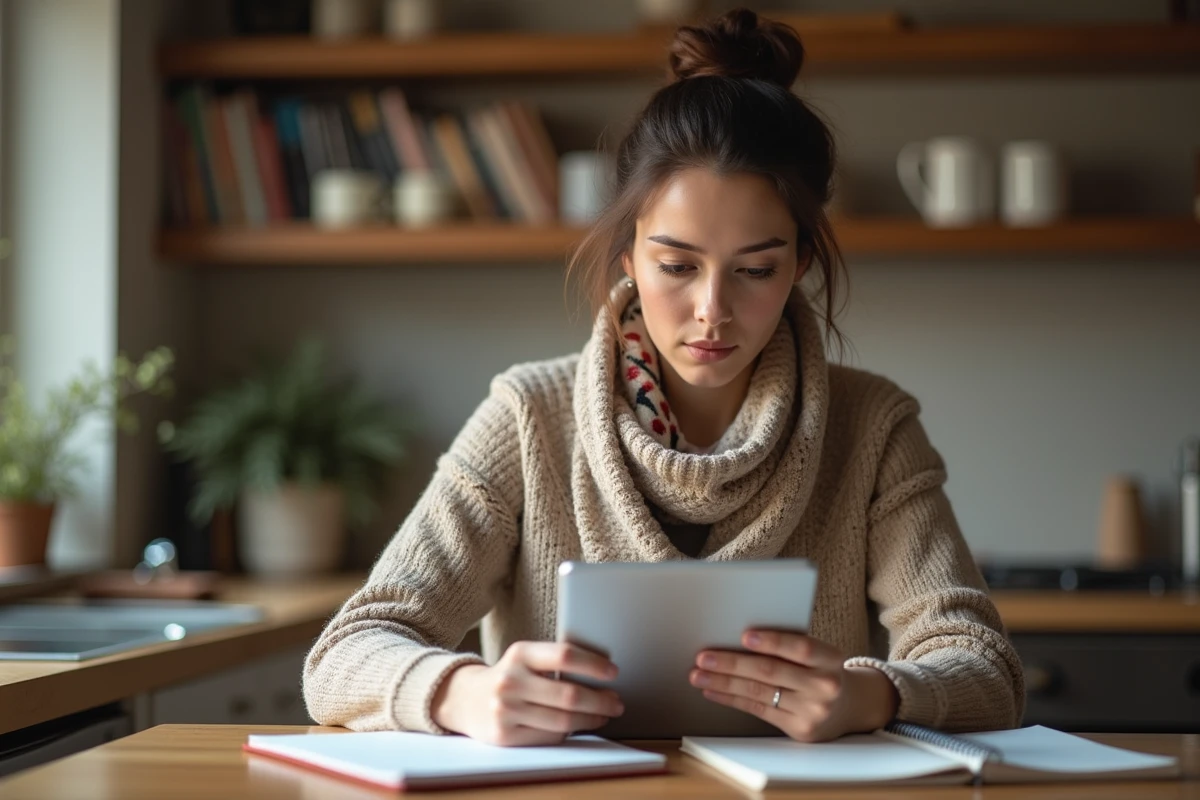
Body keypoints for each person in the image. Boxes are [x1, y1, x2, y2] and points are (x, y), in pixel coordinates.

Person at [302, 7, 1025, 747]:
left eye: (755, 269)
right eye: (677, 266)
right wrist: (461, 693)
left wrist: (875, 694)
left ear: (800, 264)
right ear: (629, 256)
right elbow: (342, 655)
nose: (712, 311)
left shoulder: (873, 425)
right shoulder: (528, 415)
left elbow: (985, 669)